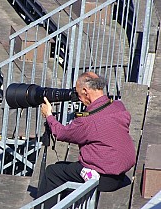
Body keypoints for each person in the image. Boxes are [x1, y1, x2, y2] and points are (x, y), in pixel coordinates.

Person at [37, 71, 136, 208]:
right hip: (120, 174)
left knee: (52, 172)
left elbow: (61, 133)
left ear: (85, 91)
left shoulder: (88, 120)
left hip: (102, 177)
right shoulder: (117, 106)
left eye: (78, 94)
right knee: (66, 168)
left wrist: (49, 115)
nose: (78, 97)